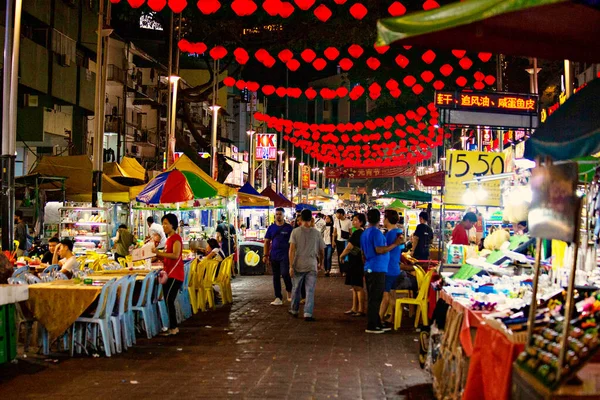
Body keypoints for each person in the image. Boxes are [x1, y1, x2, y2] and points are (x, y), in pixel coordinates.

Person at [360, 209, 404, 334]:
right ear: (379, 219)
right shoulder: (377, 234)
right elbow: (380, 250)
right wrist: (395, 244)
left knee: (375, 297)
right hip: (377, 268)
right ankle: (372, 325)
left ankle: (377, 322)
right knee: (375, 298)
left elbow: (362, 253)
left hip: (370, 267)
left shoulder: (365, 233)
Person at [288, 209, 325, 322]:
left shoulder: (295, 232)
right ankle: (308, 313)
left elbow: (291, 250)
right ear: (311, 219)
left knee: (296, 288)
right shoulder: (317, 233)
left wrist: (290, 266)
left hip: (298, 263)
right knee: (310, 290)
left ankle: (294, 310)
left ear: (300, 219)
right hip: (311, 264)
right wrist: (321, 263)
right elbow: (321, 250)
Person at [152, 213, 184, 336]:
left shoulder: (176, 238)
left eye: (166, 223)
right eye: (163, 223)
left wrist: (159, 254)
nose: (164, 226)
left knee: (169, 300)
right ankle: (172, 327)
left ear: (173, 225)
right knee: (167, 300)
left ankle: (174, 327)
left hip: (175, 274)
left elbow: (176, 255)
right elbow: (168, 257)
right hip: (168, 273)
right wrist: (158, 258)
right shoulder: (168, 240)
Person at [379, 210, 405, 328]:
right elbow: (402, 247)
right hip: (395, 267)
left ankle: (379, 318)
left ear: (387, 220)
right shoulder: (399, 232)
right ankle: (393, 317)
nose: (383, 221)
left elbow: (385, 249)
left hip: (388, 267)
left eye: (384, 218)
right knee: (392, 293)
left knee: (386, 295)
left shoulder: (389, 234)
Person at [264, 207, 294, 305]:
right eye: (277, 214)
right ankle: (278, 297)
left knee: (285, 273)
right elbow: (267, 242)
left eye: (280, 214)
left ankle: (289, 292)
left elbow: (293, 243)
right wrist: (266, 255)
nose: (278, 216)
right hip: (274, 255)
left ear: (284, 215)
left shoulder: (289, 228)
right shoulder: (271, 228)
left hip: (285, 255)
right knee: (275, 276)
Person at [339, 213, 367, 317]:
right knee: (354, 286)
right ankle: (354, 308)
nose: (353, 222)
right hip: (356, 260)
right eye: (353, 220)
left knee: (358, 286)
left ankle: (360, 309)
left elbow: (349, 247)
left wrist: (341, 255)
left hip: (356, 262)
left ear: (361, 222)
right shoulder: (361, 232)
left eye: (356, 220)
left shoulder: (358, 233)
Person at [333, 209, 352, 276]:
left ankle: (345, 270)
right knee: (339, 255)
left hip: (346, 241)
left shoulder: (348, 222)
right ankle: (342, 270)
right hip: (338, 241)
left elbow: (350, 232)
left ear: (341, 214)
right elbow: (334, 232)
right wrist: (333, 241)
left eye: (337, 213)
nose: (336, 215)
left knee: (345, 256)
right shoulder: (336, 221)